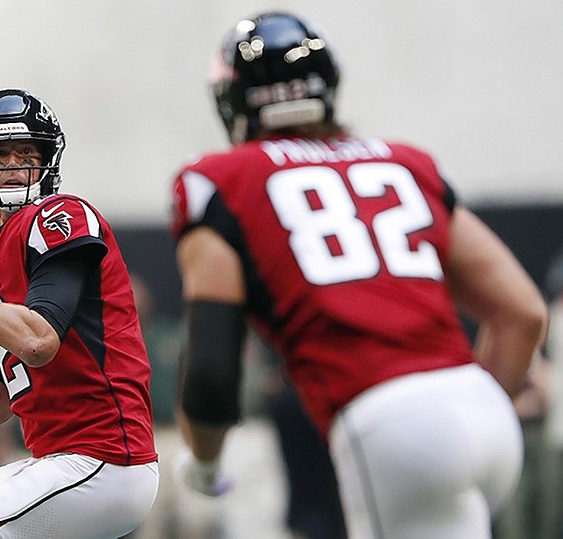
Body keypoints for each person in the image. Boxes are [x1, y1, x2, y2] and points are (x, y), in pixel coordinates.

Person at [169, 11, 548, 539]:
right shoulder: (407, 162)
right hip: (482, 411)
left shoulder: (219, 179)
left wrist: (204, 462)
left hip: (390, 423)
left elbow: (211, 365)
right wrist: (471, 415)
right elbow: (522, 312)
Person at [0, 88, 159, 538]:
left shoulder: (61, 215)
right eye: (0, 157)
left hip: (103, 458)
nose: (14, 168)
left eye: (25, 154)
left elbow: (37, 342)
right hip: (62, 464)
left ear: (46, 161)